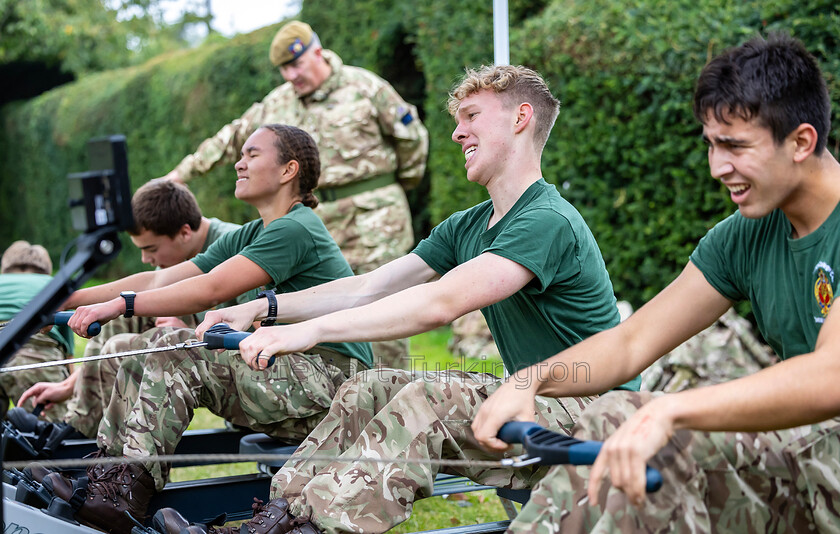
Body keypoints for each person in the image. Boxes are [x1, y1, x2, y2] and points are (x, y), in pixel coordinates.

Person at [155, 64, 641, 534]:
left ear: (520, 118)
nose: (457, 133)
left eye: (471, 116)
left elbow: (439, 303)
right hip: (535, 396)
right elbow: (371, 286)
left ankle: (318, 528)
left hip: (594, 411)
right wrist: (263, 308)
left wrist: (310, 332)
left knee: (431, 397)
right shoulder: (468, 225)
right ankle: (278, 518)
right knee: (368, 386)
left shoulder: (547, 220)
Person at [471, 33, 840, 532]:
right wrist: (529, 380)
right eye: (711, 145)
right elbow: (630, 344)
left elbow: (830, 375)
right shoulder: (746, 236)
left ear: (801, 142)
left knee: (668, 439)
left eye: (734, 146)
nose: (717, 167)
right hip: (806, 451)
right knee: (617, 415)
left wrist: (671, 412)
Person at [41, 124, 373, 534]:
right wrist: (68, 298)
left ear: (289, 170)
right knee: (151, 344)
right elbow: (164, 279)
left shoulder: (296, 228)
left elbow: (208, 290)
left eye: (252, 154)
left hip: (332, 383)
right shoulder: (256, 231)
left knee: (177, 351)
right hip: (287, 367)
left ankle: (124, 496)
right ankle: (109, 478)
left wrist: (121, 305)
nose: (239, 162)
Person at [161, 20, 429, 368]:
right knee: (323, 305)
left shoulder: (365, 87)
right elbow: (231, 138)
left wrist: (391, 187)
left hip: (374, 216)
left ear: (317, 51)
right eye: (284, 69)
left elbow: (412, 139)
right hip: (316, 217)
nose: (291, 75)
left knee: (382, 303)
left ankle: (392, 390)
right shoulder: (277, 104)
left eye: (296, 64)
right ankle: (343, 396)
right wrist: (181, 175)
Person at [13, 179, 244, 439]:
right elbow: (148, 284)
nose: (146, 259)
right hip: (212, 360)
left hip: (245, 372)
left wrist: (190, 333)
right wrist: (69, 386)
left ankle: (88, 444)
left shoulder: (234, 246)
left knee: (129, 342)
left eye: (151, 249)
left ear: (185, 232)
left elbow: (255, 326)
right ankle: (77, 427)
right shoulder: (182, 255)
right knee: (122, 320)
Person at [0, 241, 73, 420]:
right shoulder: (52, 285)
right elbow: (69, 358)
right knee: (48, 436)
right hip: (37, 356)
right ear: (46, 269)